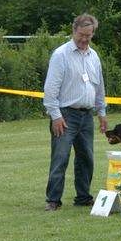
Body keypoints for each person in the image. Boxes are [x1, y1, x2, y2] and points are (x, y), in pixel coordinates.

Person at [43, 13, 107, 211]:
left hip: (87, 115)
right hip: (65, 115)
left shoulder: (94, 56)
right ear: (74, 30)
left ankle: (83, 197)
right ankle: (53, 200)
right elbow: (50, 89)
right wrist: (55, 116)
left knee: (86, 158)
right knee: (60, 158)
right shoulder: (61, 55)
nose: (84, 39)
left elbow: (99, 87)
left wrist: (101, 112)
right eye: (82, 35)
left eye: (89, 35)